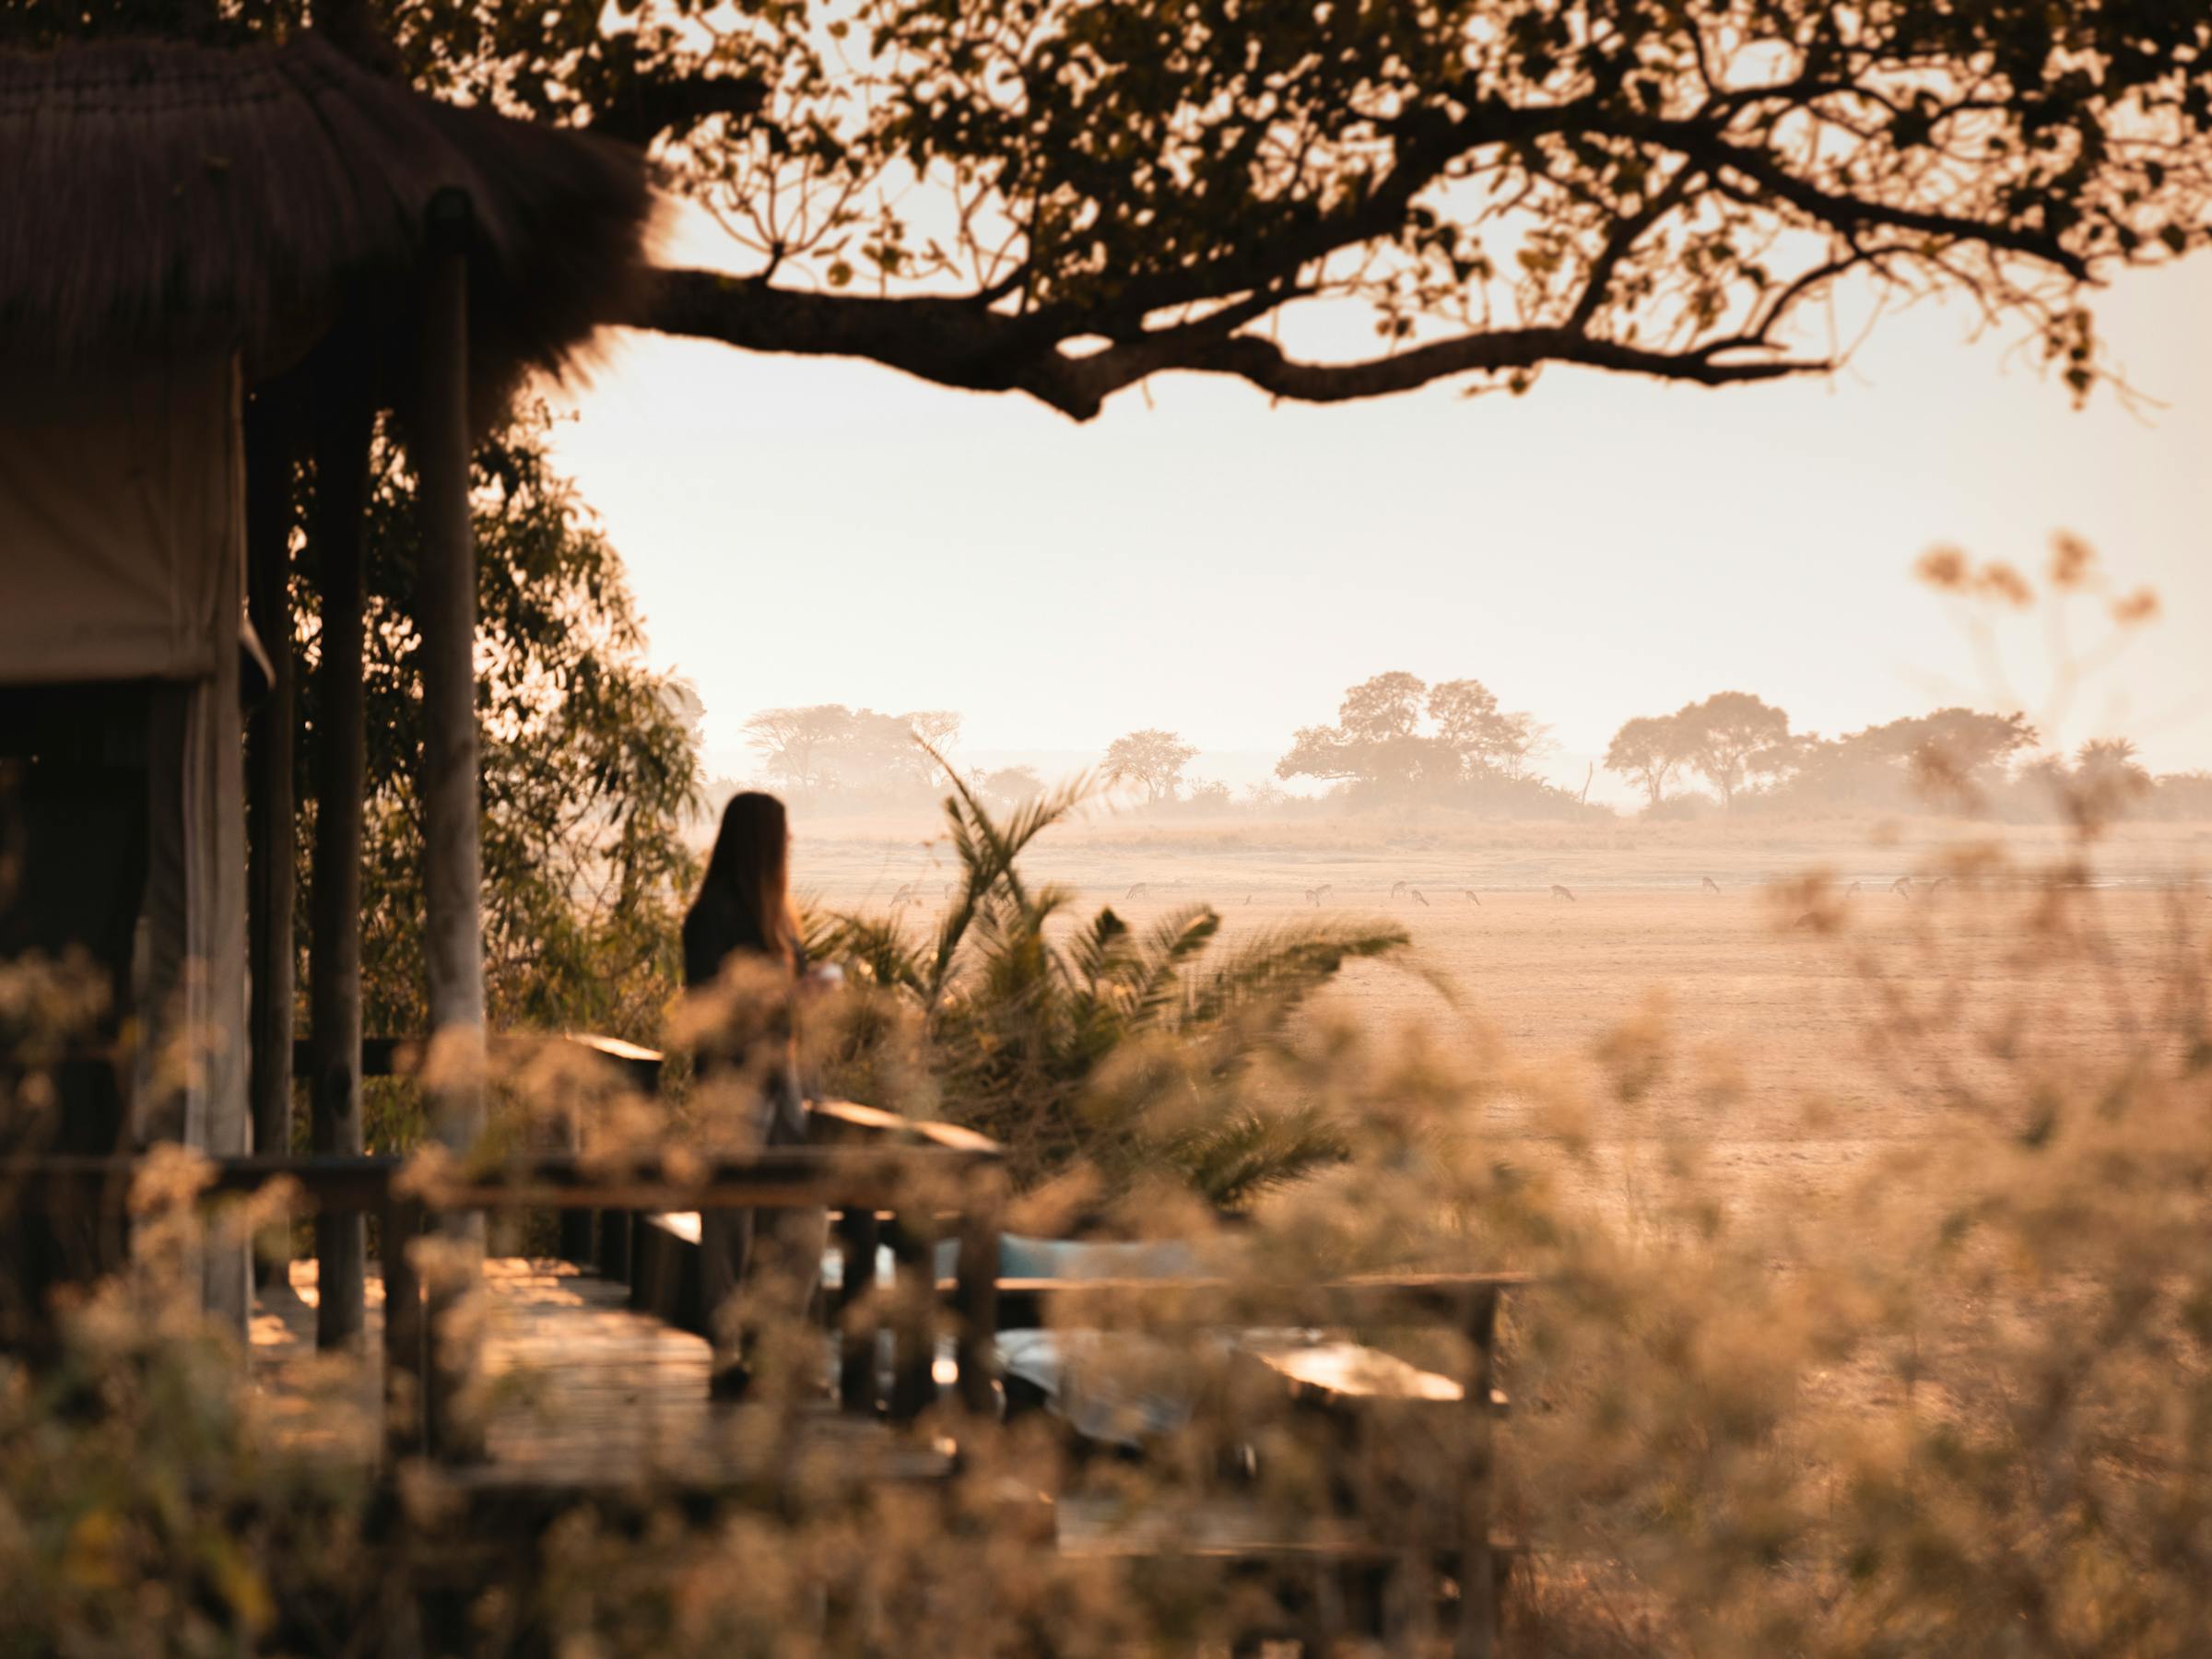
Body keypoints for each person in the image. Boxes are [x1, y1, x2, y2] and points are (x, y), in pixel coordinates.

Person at [681, 790, 821, 1400]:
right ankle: (727, 1354)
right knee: (731, 1224)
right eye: (782, 834)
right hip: (733, 1088)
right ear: (762, 842)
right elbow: (711, 1014)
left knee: (794, 1217)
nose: (790, 845)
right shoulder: (712, 918)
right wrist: (793, 998)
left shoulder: (778, 921)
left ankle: (775, 1350)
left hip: (782, 1084)